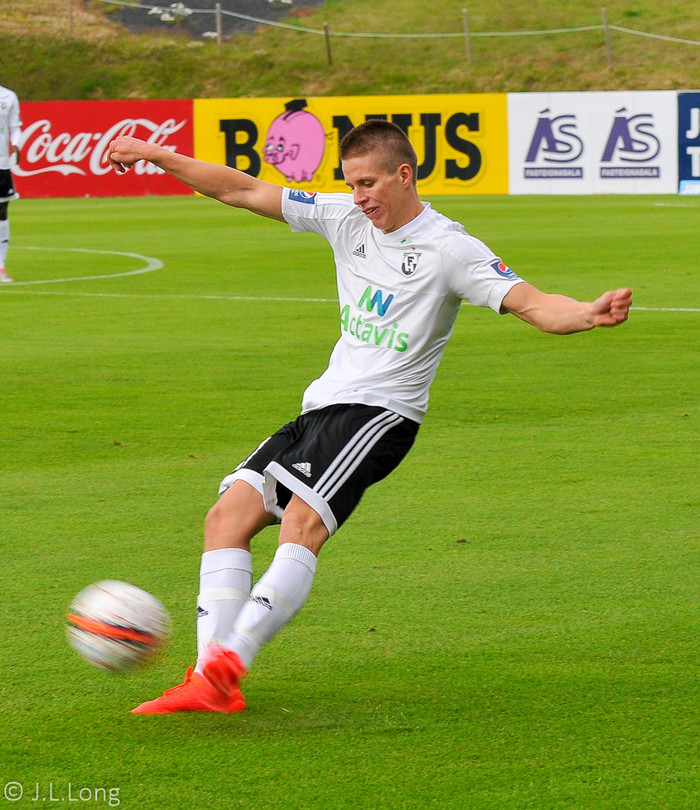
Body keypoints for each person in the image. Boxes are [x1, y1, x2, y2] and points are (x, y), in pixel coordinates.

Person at [107, 121, 632, 714]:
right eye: (351, 184)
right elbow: (242, 189)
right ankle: (209, 679)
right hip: (323, 404)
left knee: (301, 523)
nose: (358, 197)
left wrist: (587, 313)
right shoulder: (343, 218)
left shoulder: (450, 248)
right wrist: (155, 153)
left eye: (368, 183)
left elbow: (534, 305)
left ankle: (228, 664)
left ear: (403, 175)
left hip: (380, 413)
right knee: (225, 517)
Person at [0, 82, 22, 284]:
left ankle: (1, 266)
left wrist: (16, 144)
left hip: (1, 165)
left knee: (2, 212)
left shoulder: (8, 97)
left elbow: (15, 128)